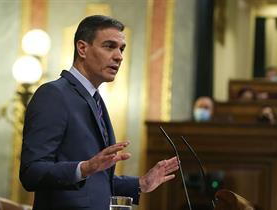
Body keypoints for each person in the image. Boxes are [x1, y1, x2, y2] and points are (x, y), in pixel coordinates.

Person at [19, 15, 179, 210]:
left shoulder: (96, 100)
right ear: (82, 48)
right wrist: (84, 168)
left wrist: (141, 184)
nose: (119, 56)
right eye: (109, 46)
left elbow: (95, 183)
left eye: (121, 49)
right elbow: (31, 172)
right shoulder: (53, 95)